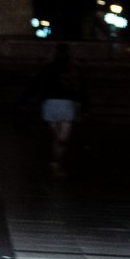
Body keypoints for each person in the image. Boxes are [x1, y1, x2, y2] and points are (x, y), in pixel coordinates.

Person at [23, 42, 86, 175]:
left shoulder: (48, 67)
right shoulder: (74, 68)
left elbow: (35, 85)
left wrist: (24, 100)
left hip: (50, 103)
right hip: (67, 104)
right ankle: (57, 161)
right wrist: (85, 106)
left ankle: (55, 161)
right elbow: (82, 89)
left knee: (56, 135)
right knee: (63, 137)